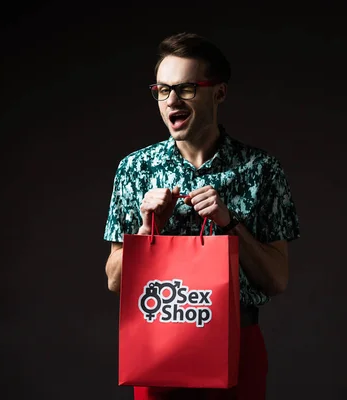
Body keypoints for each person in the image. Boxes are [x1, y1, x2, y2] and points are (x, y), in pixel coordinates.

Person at [103, 32, 300, 400]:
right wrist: (147, 232)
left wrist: (230, 224)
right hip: (158, 342)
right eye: (162, 90)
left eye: (186, 88)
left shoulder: (262, 169)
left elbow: (276, 280)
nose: (171, 100)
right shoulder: (135, 169)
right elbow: (115, 281)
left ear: (219, 93)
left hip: (237, 344)